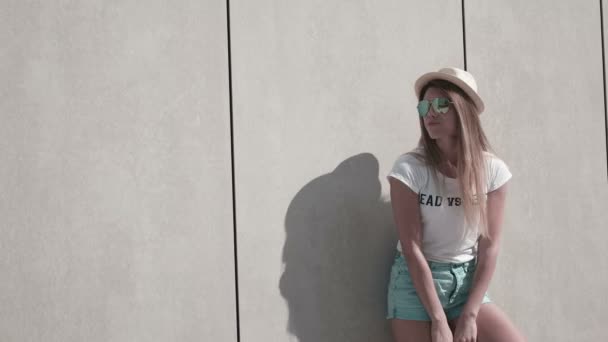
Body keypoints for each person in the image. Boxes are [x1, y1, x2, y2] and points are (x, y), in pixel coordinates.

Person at [385, 67, 526, 342]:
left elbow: (490, 246)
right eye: (424, 106)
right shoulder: (409, 169)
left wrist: (470, 313)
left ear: (464, 110)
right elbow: (412, 248)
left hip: (466, 282)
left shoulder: (493, 171)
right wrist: (438, 320)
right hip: (414, 285)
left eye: (440, 104)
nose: (430, 113)